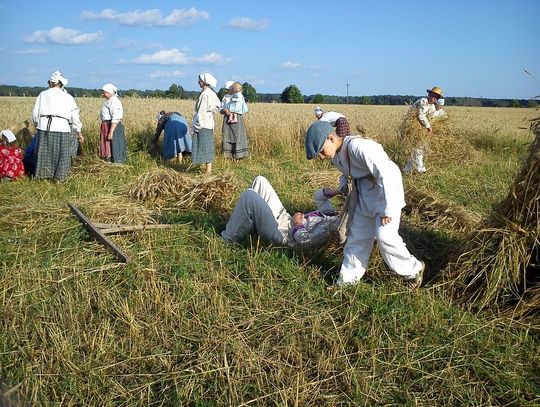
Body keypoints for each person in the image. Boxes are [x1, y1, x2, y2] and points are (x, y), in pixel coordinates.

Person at [305, 121, 425, 288]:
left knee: (385, 237)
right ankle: (347, 280)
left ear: (331, 138)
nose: (322, 156)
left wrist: (388, 209)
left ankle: (414, 270)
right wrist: (343, 186)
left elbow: (387, 173)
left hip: (386, 194)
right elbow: (347, 173)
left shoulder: (358, 146)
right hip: (363, 196)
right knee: (357, 237)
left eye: (321, 150)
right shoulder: (337, 156)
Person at [221, 175, 341, 250]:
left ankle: (228, 239)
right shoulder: (332, 214)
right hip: (285, 219)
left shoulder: (335, 225)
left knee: (249, 195)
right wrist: (339, 191)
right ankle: (250, 222)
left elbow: (306, 242)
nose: (342, 204)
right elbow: (319, 196)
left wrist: (298, 223)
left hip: (284, 236)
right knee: (260, 181)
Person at [31, 71, 83, 181]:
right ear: (61, 84)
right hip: (62, 127)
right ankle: (59, 178)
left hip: (44, 126)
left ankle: (43, 176)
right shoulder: (68, 97)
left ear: (51, 83)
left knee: (44, 152)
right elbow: (75, 115)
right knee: (63, 154)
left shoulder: (42, 94)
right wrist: (78, 131)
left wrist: (38, 124)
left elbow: (35, 114)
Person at [402, 86, 447, 174]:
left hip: (420, 128)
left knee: (417, 147)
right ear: (429, 94)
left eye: (436, 97)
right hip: (412, 127)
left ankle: (407, 169)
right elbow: (421, 115)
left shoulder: (431, 106)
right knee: (419, 147)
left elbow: (436, 113)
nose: (433, 98)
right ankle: (420, 169)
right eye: (432, 96)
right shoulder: (424, 101)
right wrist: (428, 127)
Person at [192, 73, 221, 174]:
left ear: (204, 82)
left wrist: (197, 126)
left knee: (205, 146)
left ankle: (208, 171)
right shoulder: (212, 93)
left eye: (199, 80)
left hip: (203, 123)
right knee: (207, 146)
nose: (198, 82)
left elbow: (201, 111)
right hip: (208, 122)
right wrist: (211, 111)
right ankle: (208, 169)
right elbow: (218, 106)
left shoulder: (205, 94)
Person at [220, 81, 250, 161]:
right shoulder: (225, 97)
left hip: (238, 119)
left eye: (229, 89)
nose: (227, 91)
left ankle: (238, 156)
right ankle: (228, 156)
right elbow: (220, 109)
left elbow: (242, 108)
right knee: (227, 136)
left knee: (238, 136)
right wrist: (225, 110)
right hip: (227, 119)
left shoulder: (239, 96)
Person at [99, 83, 127, 164]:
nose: (103, 94)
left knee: (115, 143)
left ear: (109, 92)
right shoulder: (110, 101)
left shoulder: (115, 101)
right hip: (107, 125)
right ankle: (109, 161)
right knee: (109, 144)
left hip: (112, 125)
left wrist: (111, 132)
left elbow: (116, 117)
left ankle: (117, 162)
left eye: (104, 92)